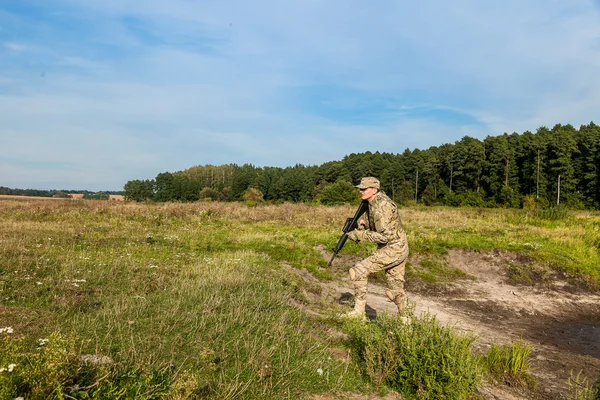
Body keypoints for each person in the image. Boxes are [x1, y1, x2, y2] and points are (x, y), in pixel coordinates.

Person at [343, 177, 409, 320]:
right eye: (360, 188)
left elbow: (384, 236)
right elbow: (378, 224)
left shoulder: (381, 206)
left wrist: (361, 235)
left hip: (393, 248)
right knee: (395, 291)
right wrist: (362, 224)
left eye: (364, 189)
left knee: (358, 271)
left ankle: (358, 313)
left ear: (374, 190)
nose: (361, 191)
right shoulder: (373, 203)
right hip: (398, 247)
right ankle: (406, 322)